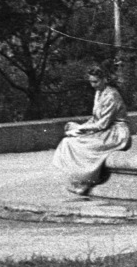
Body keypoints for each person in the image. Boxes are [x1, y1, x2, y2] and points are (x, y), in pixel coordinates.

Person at [52, 64, 132, 196]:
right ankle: (80, 178)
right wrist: (78, 127)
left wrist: (81, 128)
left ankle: (87, 182)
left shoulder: (112, 95)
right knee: (69, 141)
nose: (93, 85)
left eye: (96, 81)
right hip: (105, 130)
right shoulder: (99, 93)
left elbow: (102, 124)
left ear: (105, 79)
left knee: (85, 146)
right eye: (91, 82)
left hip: (117, 133)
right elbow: (95, 119)